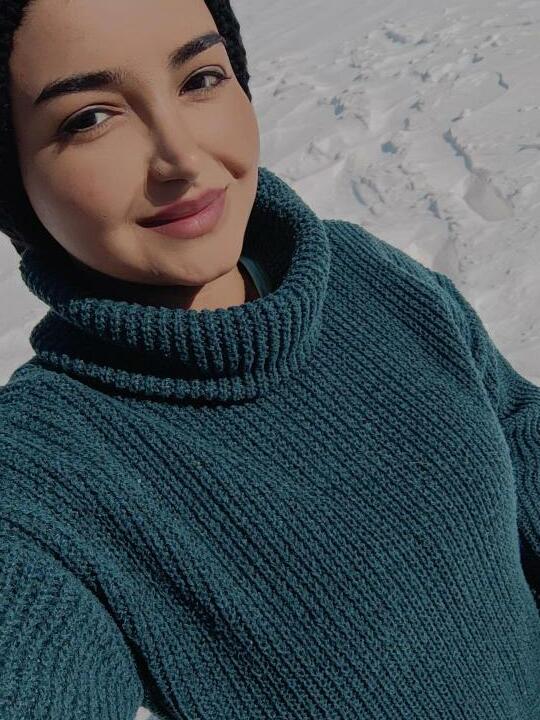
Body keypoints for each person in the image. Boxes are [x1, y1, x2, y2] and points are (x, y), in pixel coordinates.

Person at [0, 1, 539, 719]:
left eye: (200, 78)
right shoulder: (39, 478)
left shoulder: (361, 271)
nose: (181, 157)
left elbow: (516, 427)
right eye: (89, 118)